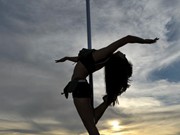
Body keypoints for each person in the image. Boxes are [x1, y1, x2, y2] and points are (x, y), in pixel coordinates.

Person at [55, 35, 159, 135]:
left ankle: (107, 101)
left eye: (124, 57)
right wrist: (67, 58)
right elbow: (82, 60)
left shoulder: (105, 54)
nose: (125, 55)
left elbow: (127, 39)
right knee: (92, 120)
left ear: (119, 61)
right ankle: (107, 102)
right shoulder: (103, 58)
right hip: (82, 86)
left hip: (79, 86)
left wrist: (146, 41)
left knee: (91, 128)